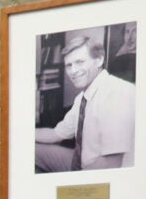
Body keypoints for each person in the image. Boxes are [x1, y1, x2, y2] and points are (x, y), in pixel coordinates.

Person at [33, 33, 137, 172]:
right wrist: (22, 133)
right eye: (69, 65)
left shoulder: (117, 93)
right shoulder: (82, 97)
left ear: (99, 60)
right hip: (81, 161)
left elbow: (112, 163)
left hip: (106, 174)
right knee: (29, 151)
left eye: (80, 62)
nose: (73, 71)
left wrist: (77, 184)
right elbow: (57, 134)